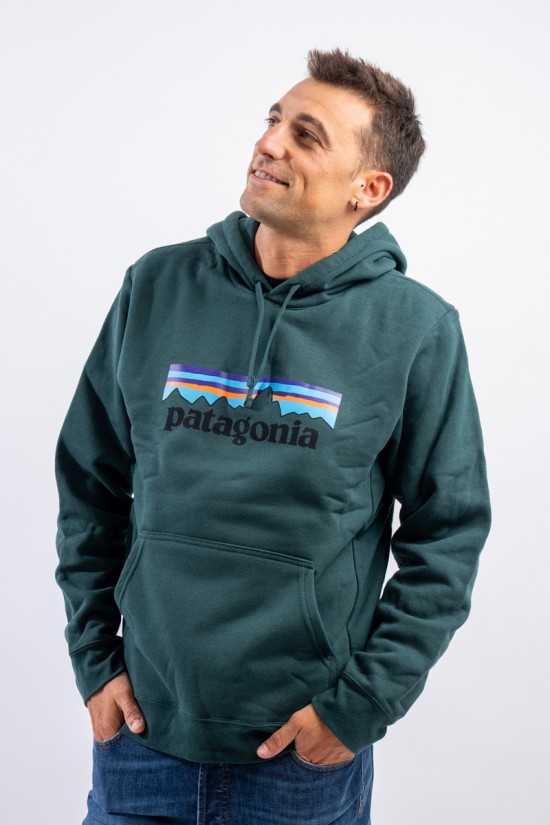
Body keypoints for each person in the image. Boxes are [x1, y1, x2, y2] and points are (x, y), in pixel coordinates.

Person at [55, 48, 491, 825]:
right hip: (142, 735)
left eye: (306, 135)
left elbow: (448, 534)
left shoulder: (415, 328)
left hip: (299, 759)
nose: (268, 143)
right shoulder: (156, 286)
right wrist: (95, 660)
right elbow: (90, 481)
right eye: (273, 120)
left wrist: (358, 707)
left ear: (368, 189)